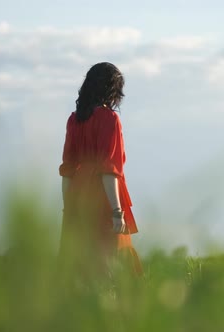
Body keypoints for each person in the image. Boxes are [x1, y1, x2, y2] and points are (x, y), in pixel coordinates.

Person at [58, 62, 142, 279]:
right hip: (102, 196)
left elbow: (67, 170)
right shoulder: (110, 119)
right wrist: (116, 212)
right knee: (112, 261)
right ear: (113, 89)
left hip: (77, 195)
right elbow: (109, 170)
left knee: (80, 265)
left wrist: (68, 209)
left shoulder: (74, 120)